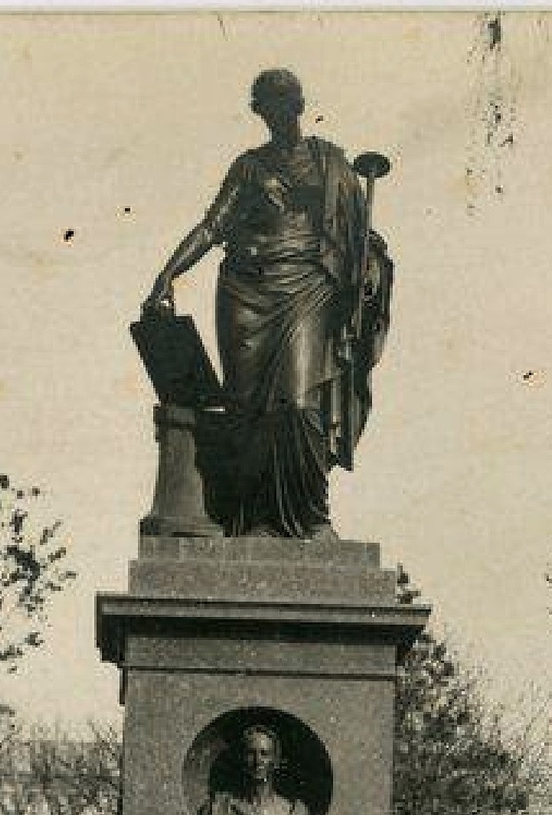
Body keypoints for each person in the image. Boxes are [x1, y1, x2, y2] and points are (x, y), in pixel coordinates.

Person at [144, 69, 391, 539]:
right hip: (246, 291)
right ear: (260, 111)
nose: (279, 109)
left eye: (287, 99)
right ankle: (256, 518)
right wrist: (168, 272)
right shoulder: (248, 167)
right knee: (248, 409)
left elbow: (363, 238)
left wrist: (371, 266)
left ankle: (311, 518)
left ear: (300, 104)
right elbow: (212, 227)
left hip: (307, 290)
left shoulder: (332, 162)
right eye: (268, 102)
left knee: (298, 405)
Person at [199, 724, 312, 815]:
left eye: (264, 754)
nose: (257, 761)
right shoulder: (218, 810)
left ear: (275, 760)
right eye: (250, 753)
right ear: (242, 758)